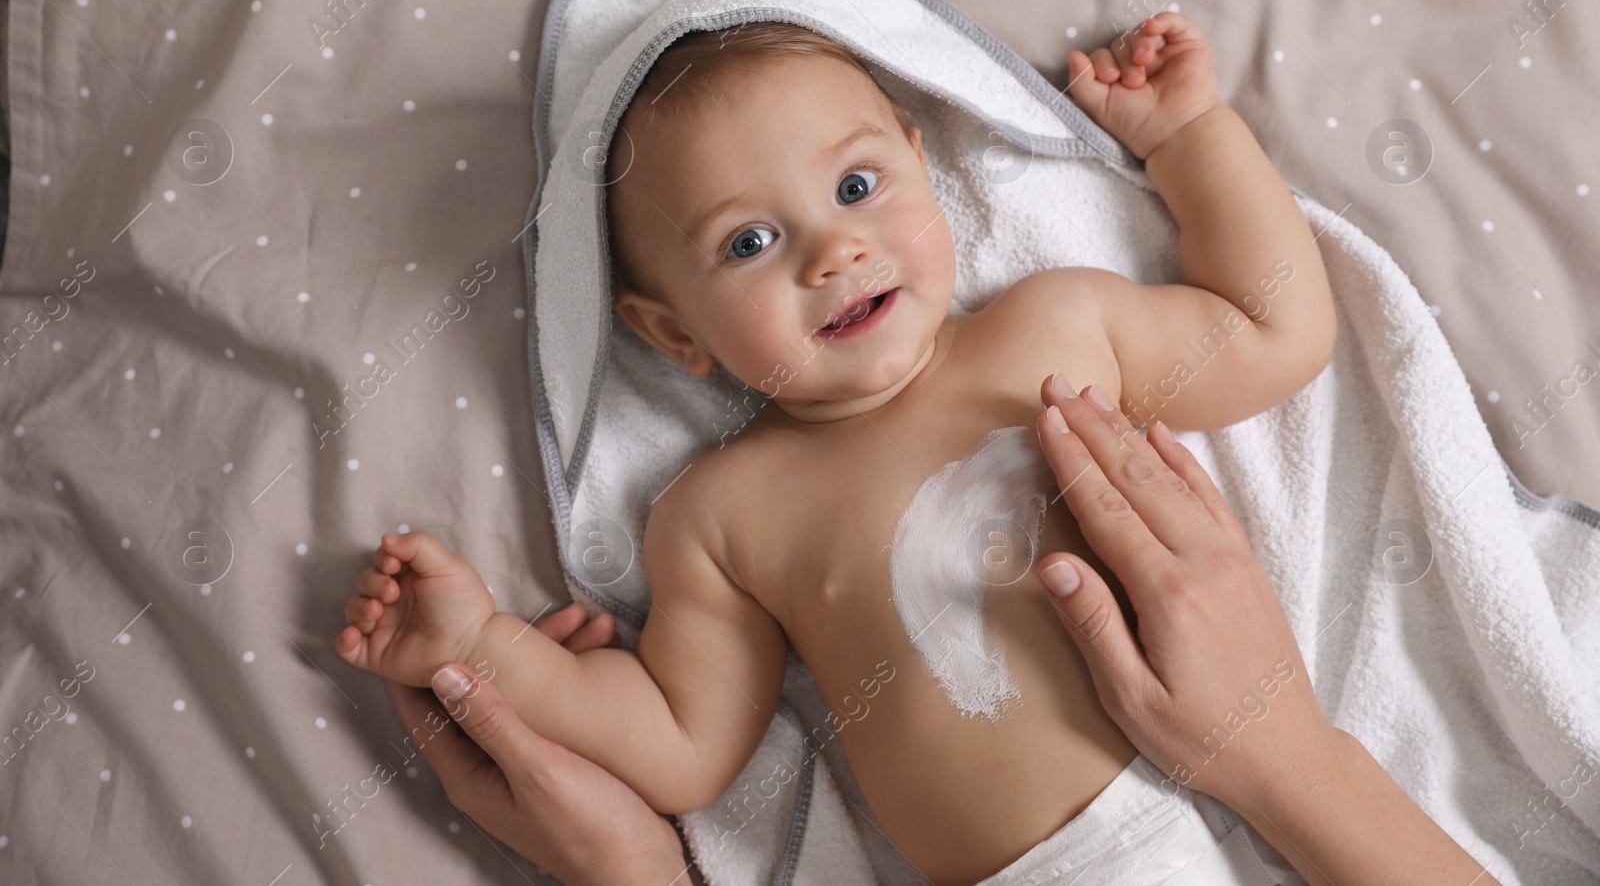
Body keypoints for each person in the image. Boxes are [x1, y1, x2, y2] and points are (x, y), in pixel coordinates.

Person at [389, 374, 1503, 886]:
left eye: (861, 182)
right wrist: (482, 643)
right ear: (669, 330)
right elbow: (684, 741)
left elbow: (1271, 335)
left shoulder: (1044, 336)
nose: (832, 252)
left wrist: (1191, 139)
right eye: (747, 241)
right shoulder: (724, 507)